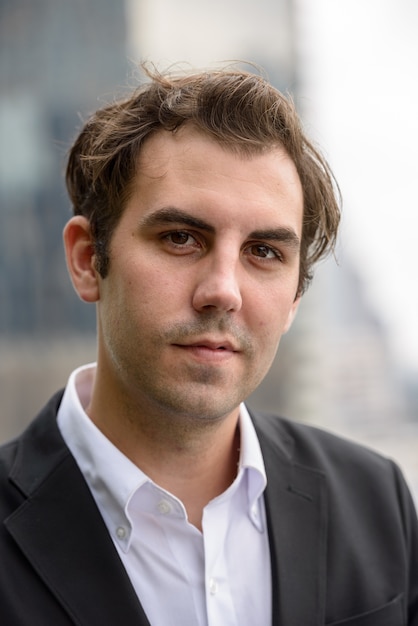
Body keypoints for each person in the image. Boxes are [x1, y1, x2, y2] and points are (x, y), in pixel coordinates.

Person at [0, 65, 417, 626]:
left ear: (295, 297)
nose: (222, 290)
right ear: (87, 261)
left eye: (264, 251)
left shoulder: (376, 502)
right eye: (180, 238)